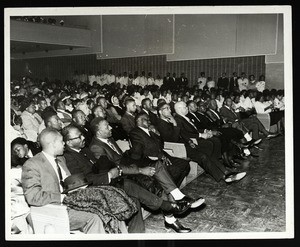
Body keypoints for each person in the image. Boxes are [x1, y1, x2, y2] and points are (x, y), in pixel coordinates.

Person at [88, 119, 198, 233]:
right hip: (122, 177)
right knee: (159, 183)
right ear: (98, 132)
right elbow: (115, 168)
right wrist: (140, 170)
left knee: (158, 166)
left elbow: (121, 158)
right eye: (106, 127)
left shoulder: (108, 139)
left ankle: (177, 198)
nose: (110, 127)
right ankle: (171, 218)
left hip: (129, 166)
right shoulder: (96, 147)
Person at [21, 128, 106, 233]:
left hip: (71, 204)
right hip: (53, 210)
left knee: (107, 209)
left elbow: (67, 182)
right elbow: (33, 197)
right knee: (93, 218)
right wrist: (61, 198)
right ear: (53, 144)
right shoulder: (32, 164)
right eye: (62, 141)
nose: (65, 144)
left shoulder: (61, 159)